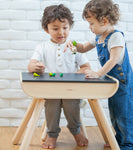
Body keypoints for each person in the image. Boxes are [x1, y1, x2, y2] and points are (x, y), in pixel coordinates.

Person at [64, 0, 133, 150]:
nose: (90, 27)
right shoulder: (99, 37)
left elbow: (114, 60)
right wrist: (72, 43)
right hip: (114, 84)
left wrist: (98, 73)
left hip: (125, 86)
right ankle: (118, 140)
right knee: (115, 115)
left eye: (91, 24)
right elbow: (84, 47)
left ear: (104, 21)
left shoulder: (116, 37)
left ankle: (128, 145)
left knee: (124, 116)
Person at [28, 4, 90, 149]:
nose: (61, 32)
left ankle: (76, 131)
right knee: (51, 107)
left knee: (71, 106)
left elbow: (86, 68)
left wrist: (75, 76)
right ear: (46, 29)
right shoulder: (42, 47)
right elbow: (31, 66)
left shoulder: (74, 46)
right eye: (55, 28)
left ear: (69, 27)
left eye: (65, 27)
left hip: (71, 89)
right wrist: (35, 67)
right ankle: (52, 135)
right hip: (51, 89)